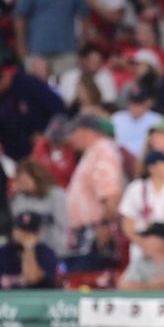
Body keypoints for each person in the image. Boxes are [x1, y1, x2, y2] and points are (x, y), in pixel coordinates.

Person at [64, 114, 125, 272]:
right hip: (86, 231)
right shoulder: (92, 152)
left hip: (95, 231)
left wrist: (105, 225)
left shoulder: (103, 151)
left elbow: (111, 194)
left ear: (87, 131)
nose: (72, 137)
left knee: (87, 281)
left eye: (75, 132)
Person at [14, 0, 87, 77]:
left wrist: (83, 41)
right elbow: (20, 17)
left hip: (66, 49)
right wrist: (21, 45)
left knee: (67, 87)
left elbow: (84, 15)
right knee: (37, 90)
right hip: (37, 48)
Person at [118, 150, 164, 265]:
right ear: (152, 167)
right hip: (141, 248)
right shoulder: (136, 189)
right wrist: (145, 244)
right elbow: (127, 224)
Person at [0, 50, 66, 160]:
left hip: (40, 153)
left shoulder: (30, 85)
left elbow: (60, 110)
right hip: (11, 156)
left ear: (9, 73)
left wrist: (48, 135)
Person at [11, 158, 68, 257]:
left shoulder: (56, 194)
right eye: (19, 180)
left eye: (24, 179)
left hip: (55, 248)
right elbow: (17, 225)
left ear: (36, 178)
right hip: (29, 251)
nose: (21, 183)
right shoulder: (20, 198)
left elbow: (65, 225)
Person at [0, 212, 59, 289]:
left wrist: (29, 248)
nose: (24, 235)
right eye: (21, 230)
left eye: (29, 232)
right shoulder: (3, 252)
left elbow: (31, 278)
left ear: (38, 234)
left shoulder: (46, 253)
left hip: (38, 299)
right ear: (14, 231)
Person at [118, 223, 164, 291]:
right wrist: (154, 285)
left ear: (161, 240)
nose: (141, 241)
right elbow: (123, 285)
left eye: (146, 237)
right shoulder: (141, 261)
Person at [111, 83, 164, 159]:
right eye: (133, 103)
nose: (135, 107)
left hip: (144, 161)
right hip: (118, 160)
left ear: (147, 103)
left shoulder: (157, 120)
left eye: (139, 103)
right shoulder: (117, 118)